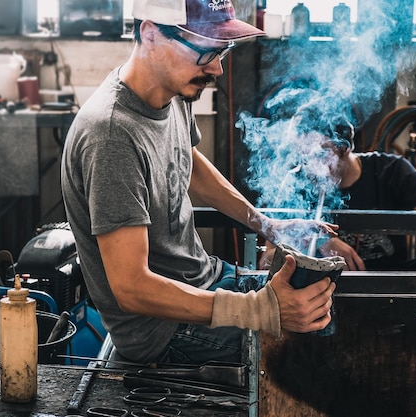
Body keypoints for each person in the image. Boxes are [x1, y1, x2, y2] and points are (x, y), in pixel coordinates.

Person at [60, 0, 339, 365]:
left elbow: (187, 162)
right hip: (160, 331)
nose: (218, 69)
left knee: (326, 314)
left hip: (203, 279)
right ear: (151, 35)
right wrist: (257, 310)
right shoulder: (112, 137)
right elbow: (131, 288)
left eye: (222, 50)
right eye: (206, 50)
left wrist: (267, 224)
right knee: (318, 354)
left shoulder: (171, 88)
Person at [259, 124, 416, 272]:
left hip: (390, 281)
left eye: (319, 154)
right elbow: (267, 258)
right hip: (324, 287)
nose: (309, 166)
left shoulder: (393, 171)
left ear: (344, 148)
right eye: (302, 155)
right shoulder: (296, 181)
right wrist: (318, 242)